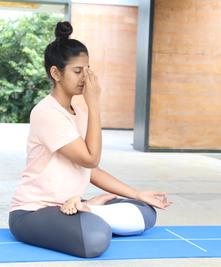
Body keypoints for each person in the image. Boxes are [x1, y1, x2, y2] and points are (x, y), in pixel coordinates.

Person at [9, 21, 172, 258]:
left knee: (145, 211)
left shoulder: (80, 109)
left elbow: (90, 171)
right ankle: (88, 210)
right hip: (34, 212)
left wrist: (136, 194)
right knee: (95, 239)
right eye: (77, 71)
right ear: (56, 73)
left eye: (87, 69)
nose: (85, 77)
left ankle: (86, 208)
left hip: (70, 205)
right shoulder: (46, 113)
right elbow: (90, 159)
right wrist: (94, 104)